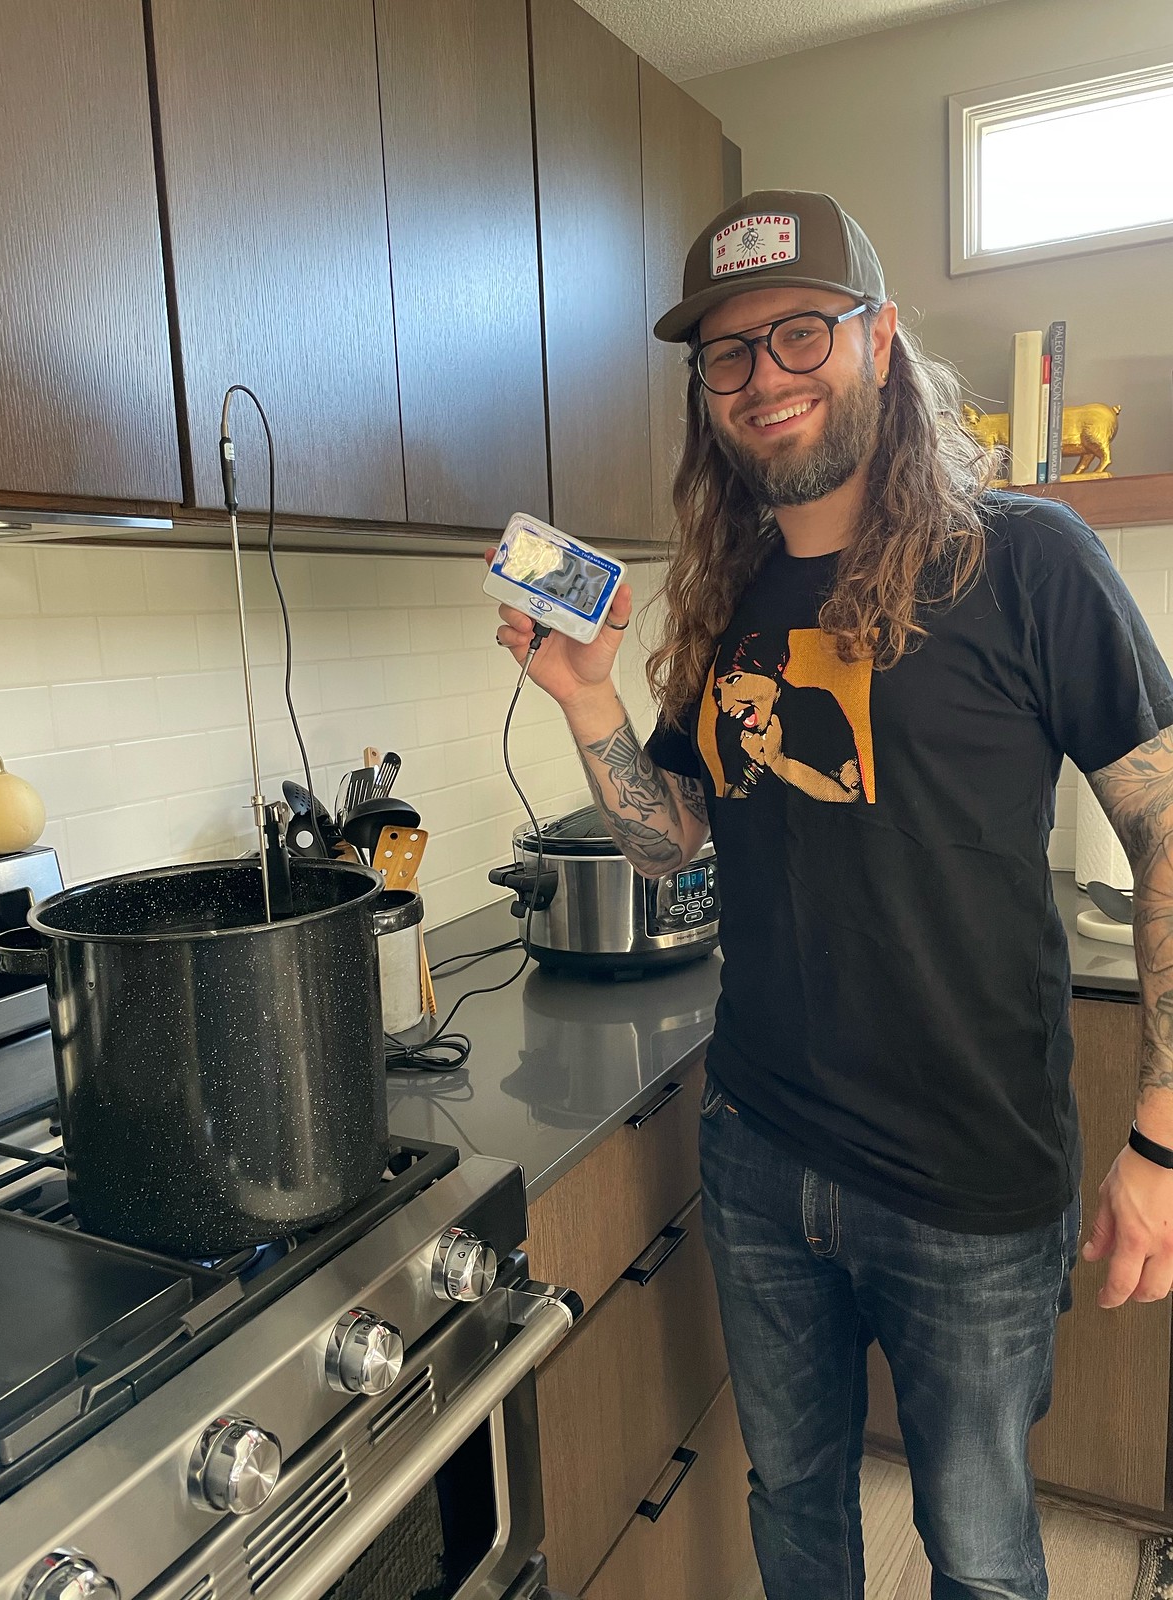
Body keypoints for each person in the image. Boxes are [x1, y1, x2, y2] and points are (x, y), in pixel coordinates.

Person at [492, 188, 1173, 1600]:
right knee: (794, 1504)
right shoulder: (725, 599)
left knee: (980, 1549)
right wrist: (588, 698)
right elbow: (673, 842)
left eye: (800, 332)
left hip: (971, 1182)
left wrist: (1164, 1137)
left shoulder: (1025, 559)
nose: (765, 377)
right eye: (728, 354)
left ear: (881, 338)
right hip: (760, 1150)